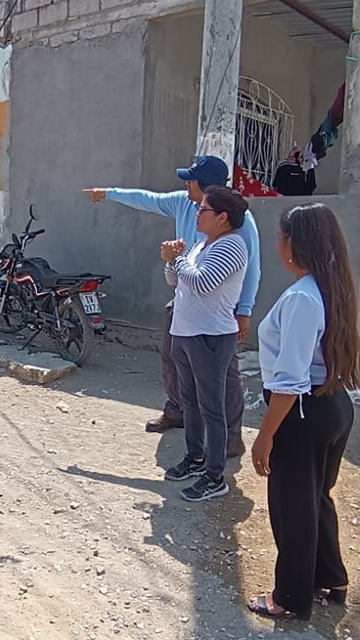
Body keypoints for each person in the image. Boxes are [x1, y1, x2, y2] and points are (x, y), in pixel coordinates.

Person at [85, 155, 260, 458]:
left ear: (207, 189)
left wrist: (244, 309)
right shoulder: (186, 205)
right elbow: (149, 199)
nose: (186, 184)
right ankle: (177, 411)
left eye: (191, 179)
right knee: (172, 356)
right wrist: (108, 193)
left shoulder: (237, 221)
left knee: (223, 375)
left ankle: (231, 437)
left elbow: (249, 269)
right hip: (184, 302)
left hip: (217, 312)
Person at [245, 203, 360, 621]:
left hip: (303, 412)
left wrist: (265, 436)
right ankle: (331, 577)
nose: (279, 243)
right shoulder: (331, 288)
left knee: (293, 507)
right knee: (315, 499)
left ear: (294, 243)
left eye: (282, 236)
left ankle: (291, 597)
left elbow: (289, 380)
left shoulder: (301, 297)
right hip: (333, 405)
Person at [160, 186, 251, 502]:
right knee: (191, 401)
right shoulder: (203, 244)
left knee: (212, 406)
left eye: (204, 210)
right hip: (186, 332)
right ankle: (195, 456)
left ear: (222, 217)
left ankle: (215, 476)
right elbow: (175, 280)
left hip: (210, 336)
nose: (197, 214)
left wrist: (177, 258)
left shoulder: (232, 245)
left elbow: (202, 283)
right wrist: (173, 261)